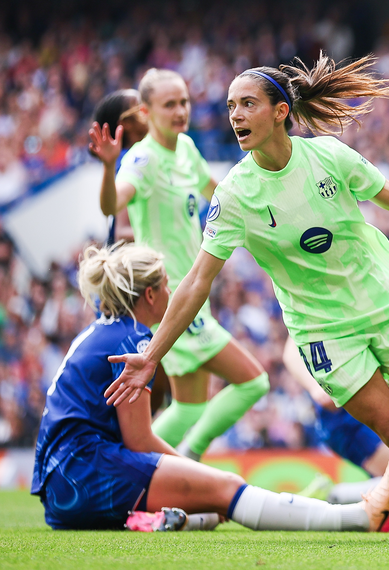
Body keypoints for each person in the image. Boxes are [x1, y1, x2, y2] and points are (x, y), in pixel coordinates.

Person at [104, 54, 389, 543]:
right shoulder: (235, 195)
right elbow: (196, 282)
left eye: (248, 104)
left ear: (280, 112)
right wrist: (150, 356)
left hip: (384, 304)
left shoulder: (330, 157)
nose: (235, 115)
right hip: (323, 333)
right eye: (230, 106)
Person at [30, 242, 389, 532]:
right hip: (84, 474)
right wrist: (199, 474)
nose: (173, 290)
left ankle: (164, 521)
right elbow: (139, 442)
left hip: (64, 487)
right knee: (225, 487)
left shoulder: (103, 332)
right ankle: (360, 516)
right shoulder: (135, 341)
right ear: (150, 296)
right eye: (167, 283)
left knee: (212, 498)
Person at [89, 69, 269, 461]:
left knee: (188, 407)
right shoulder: (141, 158)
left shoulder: (186, 148)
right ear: (146, 111)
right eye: (169, 104)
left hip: (193, 295)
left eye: (184, 102)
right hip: (170, 298)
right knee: (254, 381)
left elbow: (218, 193)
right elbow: (110, 205)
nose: (180, 110)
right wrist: (107, 166)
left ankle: (138, 471)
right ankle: (187, 460)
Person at [284, 337, 389, 511]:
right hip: (346, 417)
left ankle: (340, 495)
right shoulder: (317, 311)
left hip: (369, 406)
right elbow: (291, 351)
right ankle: (332, 495)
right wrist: (315, 388)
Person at [88, 89, 148, 245]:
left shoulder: (148, 153)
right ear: (125, 124)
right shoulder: (130, 162)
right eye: (140, 106)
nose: (148, 108)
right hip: (133, 264)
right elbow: (122, 231)